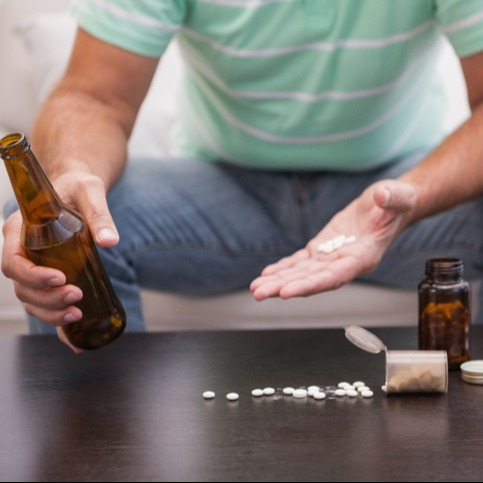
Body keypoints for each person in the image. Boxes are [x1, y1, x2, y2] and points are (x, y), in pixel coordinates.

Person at [2, 0, 483, 352]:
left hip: (394, 193)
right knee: (51, 221)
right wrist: (71, 174)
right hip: (224, 194)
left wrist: (414, 196)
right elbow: (94, 95)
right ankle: (103, 443)